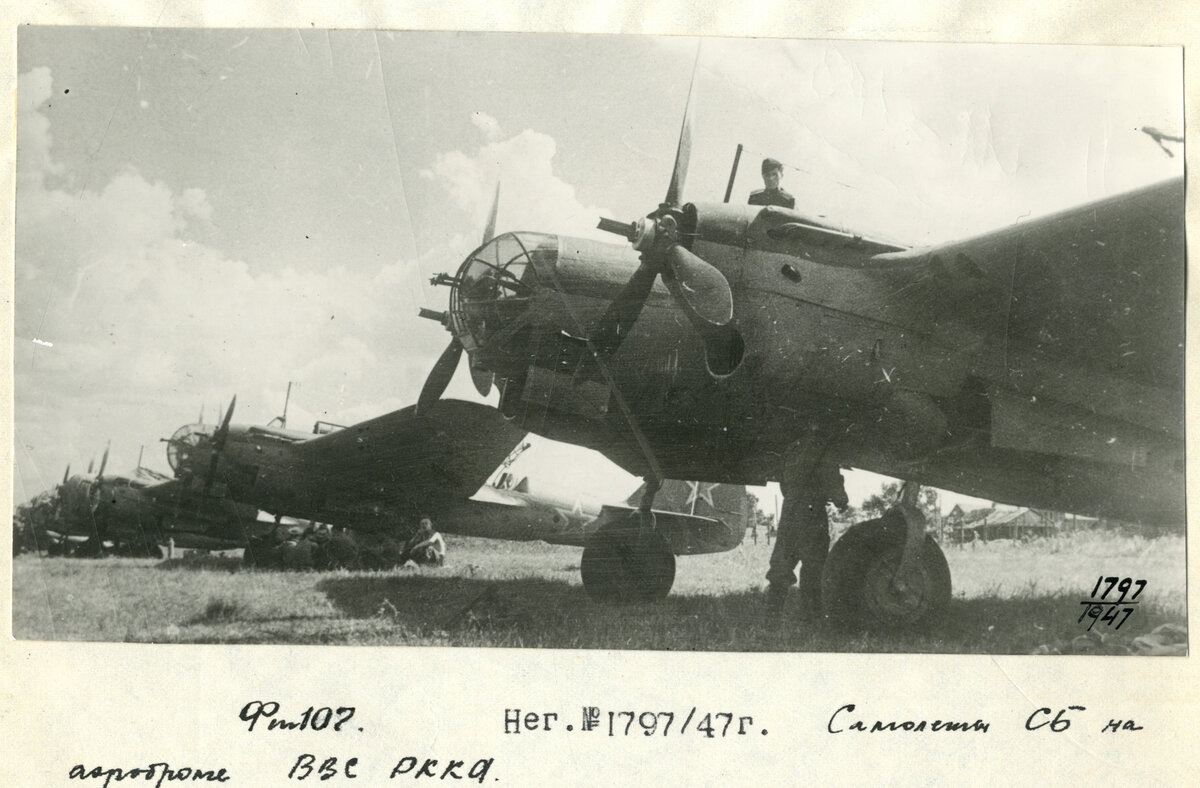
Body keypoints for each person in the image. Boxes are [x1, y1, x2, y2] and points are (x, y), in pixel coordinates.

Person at [766, 458, 848, 617]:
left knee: (782, 562)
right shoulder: (822, 446)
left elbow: (783, 481)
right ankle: (811, 615)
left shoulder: (794, 448)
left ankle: (772, 616)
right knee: (814, 564)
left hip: (790, 508)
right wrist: (841, 501)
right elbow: (831, 476)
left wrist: (795, 496)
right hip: (812, 509)